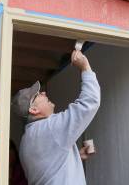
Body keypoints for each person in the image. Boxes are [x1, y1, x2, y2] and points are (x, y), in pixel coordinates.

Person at [11, 49, 100, 185]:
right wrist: (85, 67)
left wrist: (76, 155)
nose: (44, 93)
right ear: (33, 109)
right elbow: (89, 103)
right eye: (38, 94)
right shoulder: (49, 128)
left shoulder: (27, 139)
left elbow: (50, 168)